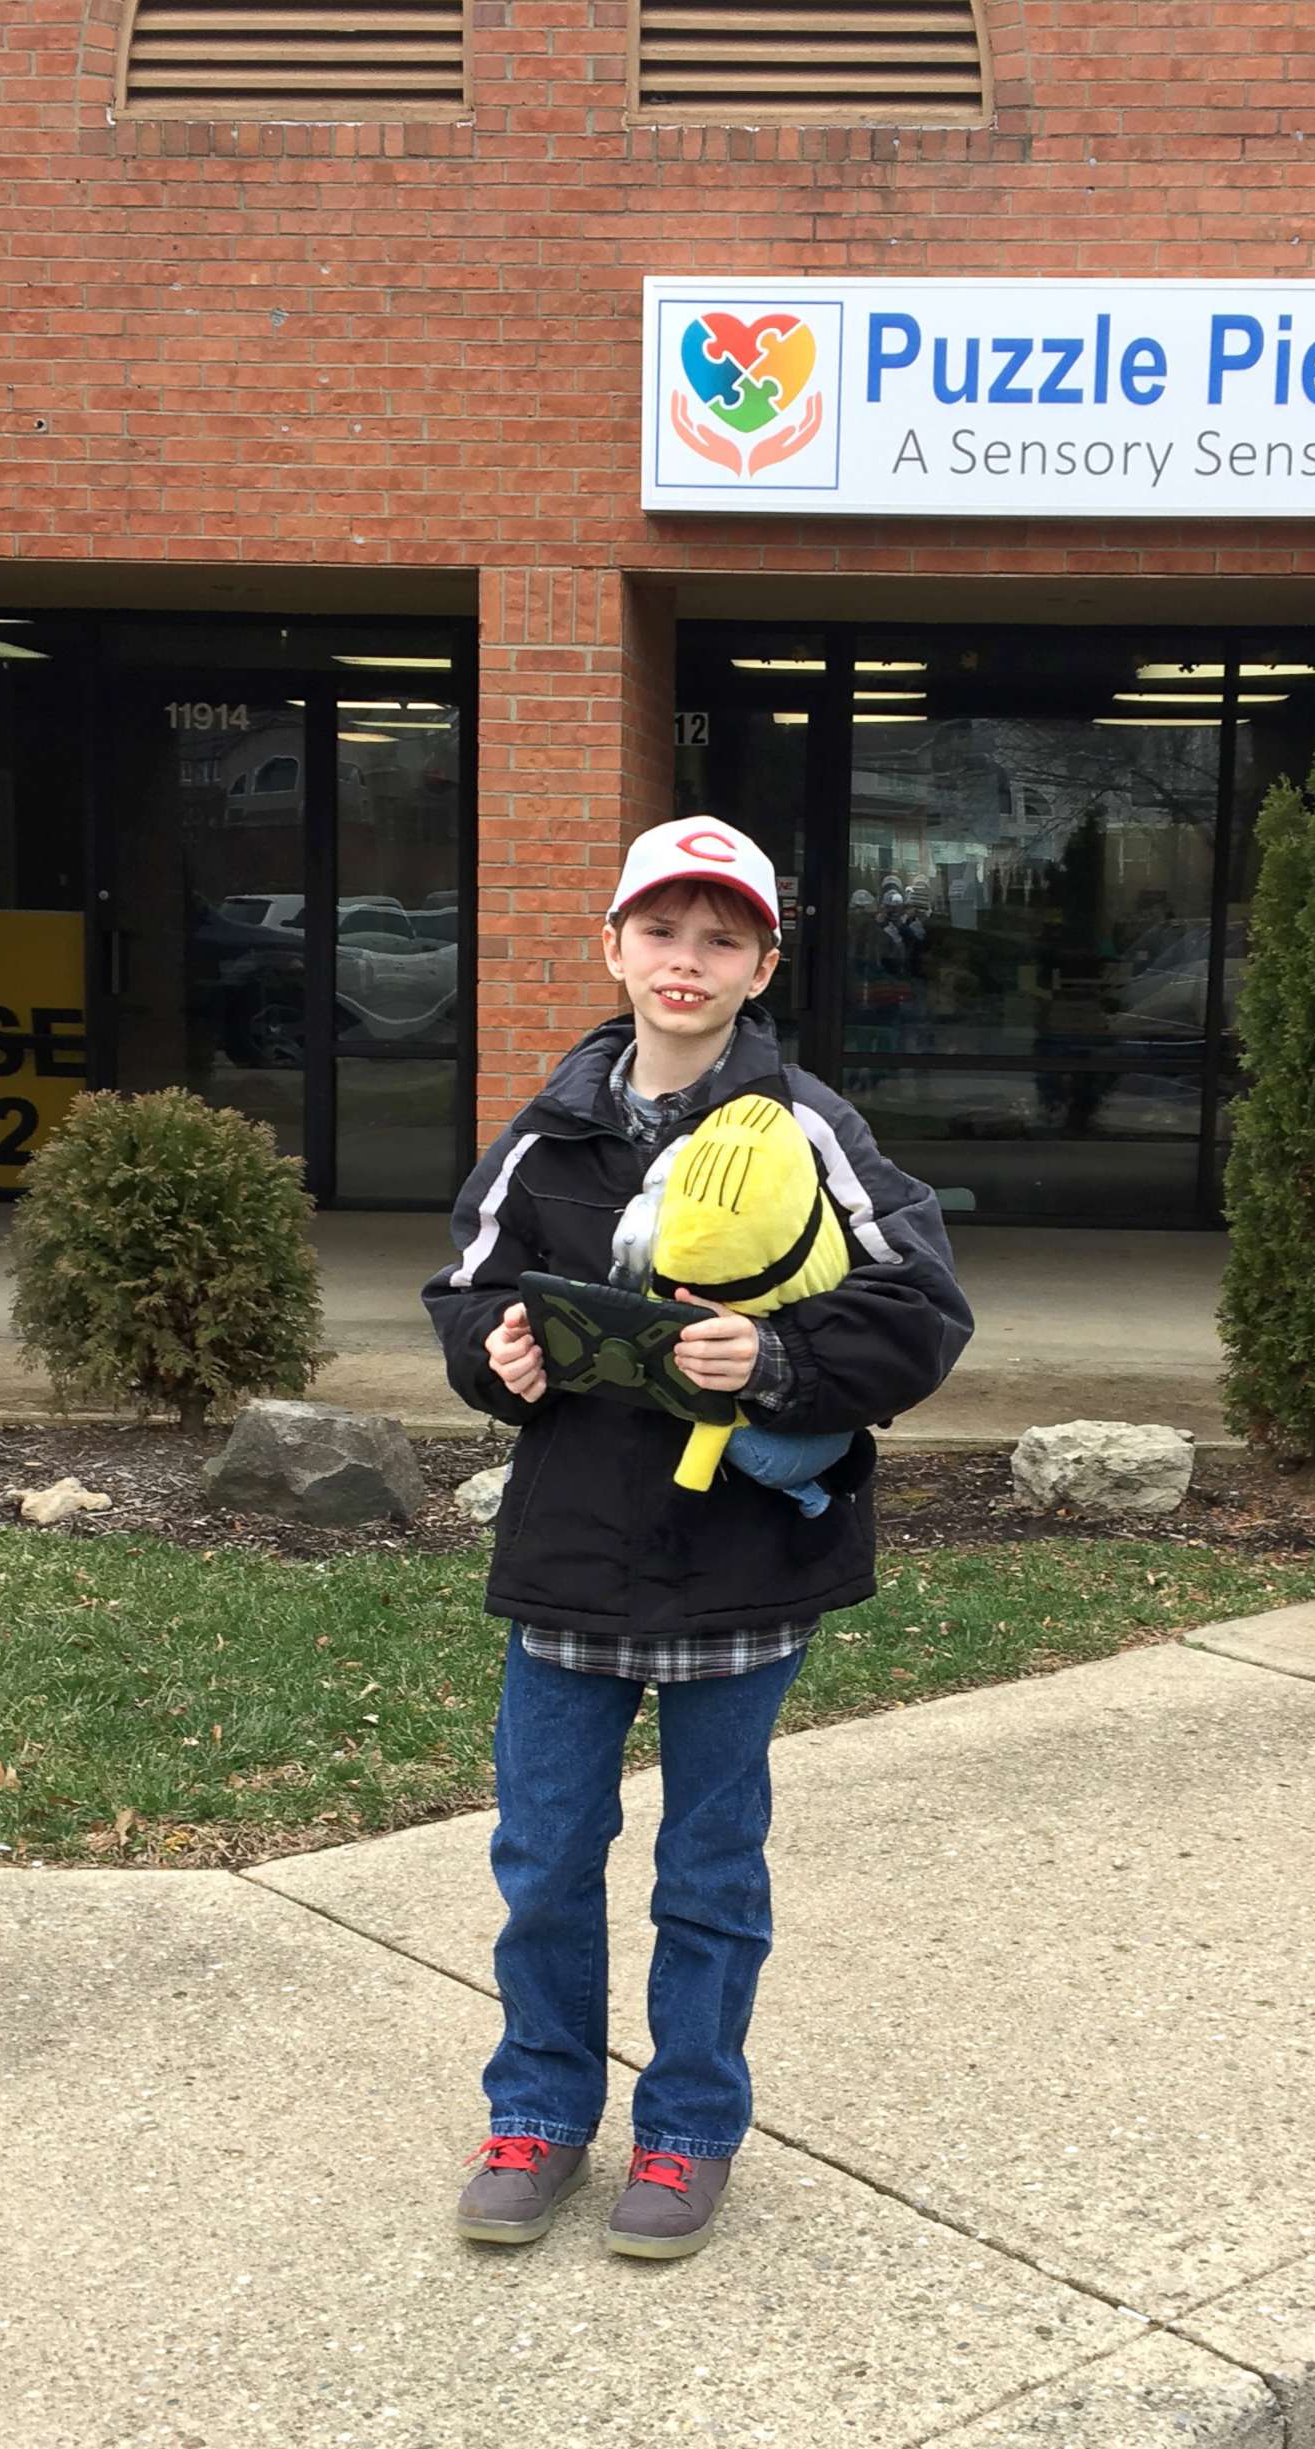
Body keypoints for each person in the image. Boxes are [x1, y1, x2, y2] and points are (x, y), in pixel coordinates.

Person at [421, 815, 973, 2260]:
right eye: (660, 931)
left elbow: (922, 1314)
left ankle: (687, 2131)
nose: (686, 959)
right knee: (545, 1857)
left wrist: (774, 1361)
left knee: (709, 1872)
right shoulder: (549, 1129)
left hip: (740, 1569)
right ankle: (537, 2114)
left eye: (719, 936)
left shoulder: (804, 1125)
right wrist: (503, 1360)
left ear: (761, 962)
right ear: (611, 947)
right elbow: (463, 1296)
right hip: (574, 1565)